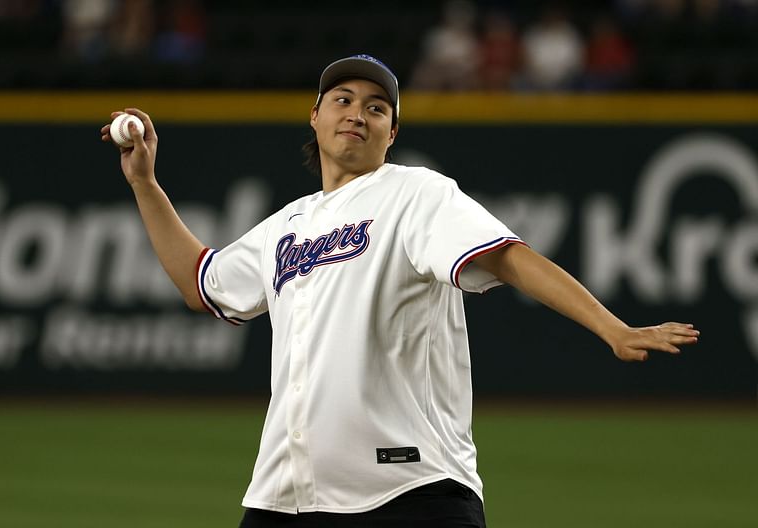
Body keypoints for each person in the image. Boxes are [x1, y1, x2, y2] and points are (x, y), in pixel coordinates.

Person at [101, 54, 700, 528]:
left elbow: (511, 259)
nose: (356, 113)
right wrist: (145, 183)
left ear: (392, 132)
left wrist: (611, 327)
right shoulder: (288, 224)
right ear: (314, 117)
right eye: (342, 99)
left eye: (376, 107)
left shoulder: (415, 193)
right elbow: (201, 283)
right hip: (285, 497)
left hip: (410, 496)